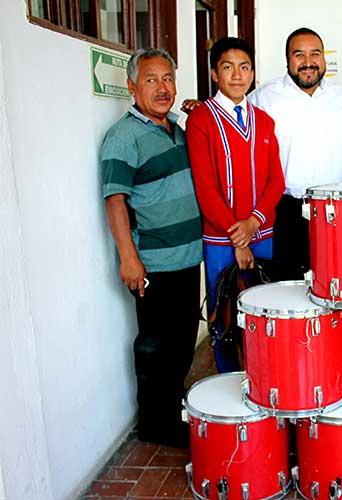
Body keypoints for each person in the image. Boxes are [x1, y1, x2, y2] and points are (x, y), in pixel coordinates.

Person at [101, 48, 203, 447]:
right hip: (154, 263)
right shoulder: (123, 137)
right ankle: (155, 425)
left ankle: (169, 412)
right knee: (155, 346)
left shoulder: (176, 128)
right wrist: (129, 258)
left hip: (185, 257)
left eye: (167, 79)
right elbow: (114, 201)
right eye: (151, 80)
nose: (162, 89)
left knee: (180, 343)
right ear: (131, 86)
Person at [185, 37, 285, 373]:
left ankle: (263, 381)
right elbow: (206, 189)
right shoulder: (200, 120)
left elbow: (276, 182)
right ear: (215, 73)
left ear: (253, 72)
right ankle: (229, 384)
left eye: (244, 67)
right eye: (228, 67)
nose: (237, 75)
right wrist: (238, 239)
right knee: (224, 319)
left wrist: (253, 223)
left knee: (262, 313)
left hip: (263, 234)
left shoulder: (265, 121)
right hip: (220, 240)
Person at [249, 27, 342, 281]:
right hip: (286, 211)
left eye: (315, 54)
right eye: (299, 55)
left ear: (324, 59)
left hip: (334, 211)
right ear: (287, 59)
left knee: (334, 285)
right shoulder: (264, 98)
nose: (308, 62)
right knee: (288, 290)